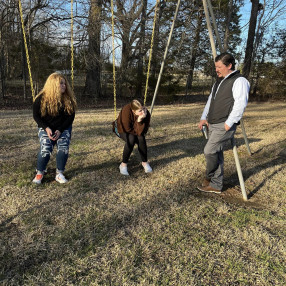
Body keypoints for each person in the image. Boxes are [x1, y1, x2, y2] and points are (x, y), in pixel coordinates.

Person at [198, 52, 250, 193]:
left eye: (219, 67)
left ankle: (209, 177)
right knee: (217, 153)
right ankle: (216, 185)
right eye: (215, 66)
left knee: (209, 151)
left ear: (229, 65)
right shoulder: (218, 82)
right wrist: (204, 117)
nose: (216, 70)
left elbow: (240, 104)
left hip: (225, 124)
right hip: (213, 123)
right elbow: (211, 101)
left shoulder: (239, 81)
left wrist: (229, 122)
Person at [32, 72, 77, 184]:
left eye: (64, 83)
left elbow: (70, 117)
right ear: (53, 85)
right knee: (46, 149)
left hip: (63, 128)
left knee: (63, 148)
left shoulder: (67, 99)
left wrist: (60, 130)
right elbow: (36, 116)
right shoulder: (41, 99)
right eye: (61, 83)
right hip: (46, 128)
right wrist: (46, 128)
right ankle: (40, 172)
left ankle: (60, 173)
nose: (64, 86)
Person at [114, 99, 152, 175]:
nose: (143, 112)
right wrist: (138, 122)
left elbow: (143, 131)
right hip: (121, 129)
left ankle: (145, 162)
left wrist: (140, 120)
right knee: (131, 139)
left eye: (144, 108)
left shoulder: (146, 113)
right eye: (140, 110)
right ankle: (123, 165)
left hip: (135, 130)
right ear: (133, 111)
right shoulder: (126, 111)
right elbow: (127, 129)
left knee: (141, 138)